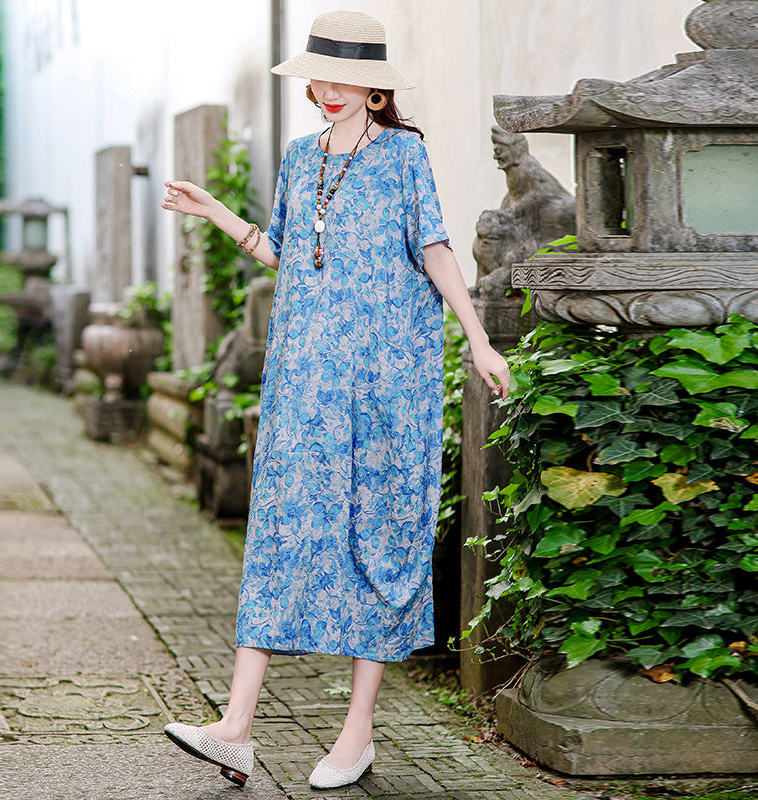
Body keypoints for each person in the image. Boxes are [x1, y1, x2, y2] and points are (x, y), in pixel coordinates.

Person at [160, 9, 510, 791]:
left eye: (342, 76)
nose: (325, 89)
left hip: (386, 373)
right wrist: (215, 212)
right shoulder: (297, 156)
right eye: (317, 75)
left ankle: (356, 736)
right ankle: (236, 726)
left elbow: (434, 247)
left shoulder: (402, 157)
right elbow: (284, 250)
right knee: (284, 523)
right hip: (304, 377)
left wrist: (480, 340)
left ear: (375, 90)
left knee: (377, 532)